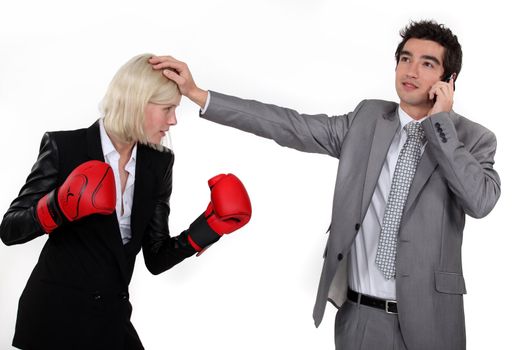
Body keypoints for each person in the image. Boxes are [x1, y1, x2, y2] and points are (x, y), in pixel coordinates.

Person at [149, 19, 501, 350]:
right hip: (360, 318)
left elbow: (480, 201)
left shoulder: (473, 139)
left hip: (433, 325)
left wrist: (441, 128)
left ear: (449, 79)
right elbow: (291, 126)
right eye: (405, 59)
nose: (411, 70)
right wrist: (198, 94)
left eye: (427, 64)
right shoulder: (366, 120)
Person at [0, 53, 252, 350]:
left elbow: (156, 257)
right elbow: (9, 230)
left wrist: (210, 227)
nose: (173, 121)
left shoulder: (158, 162)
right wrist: (58, 207)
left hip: (112, 320)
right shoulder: (65, 147)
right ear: (137, 101)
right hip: (54, 320)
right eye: (167, 109)